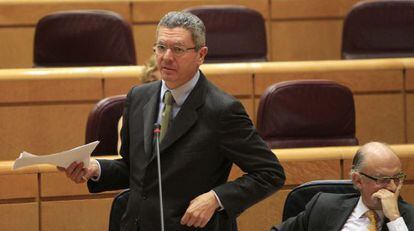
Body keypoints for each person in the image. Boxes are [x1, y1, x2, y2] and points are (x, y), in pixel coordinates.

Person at [60, 11, 285, 231]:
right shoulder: (138, 97)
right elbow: (136, 170)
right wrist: (96, 168)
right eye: (161, 47)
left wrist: (216, 198)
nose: (166, 57)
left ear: (201, 54)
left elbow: (270, 172)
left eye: (177, 49)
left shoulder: (223, 110)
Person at [272, 142, 414, 231]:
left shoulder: (410, 217)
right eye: (383, 179)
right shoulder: (323, 207)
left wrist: (395, 219)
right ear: (358, 180)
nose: (392, 187)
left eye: (396, 178)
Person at [117, 54, 161, 154]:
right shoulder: (129, 118)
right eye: (152, 81)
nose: (157, 87)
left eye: (163, 83)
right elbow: (125, 159)